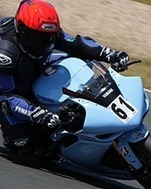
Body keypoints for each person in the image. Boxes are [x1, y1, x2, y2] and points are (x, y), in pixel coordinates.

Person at [0, 0, 129, 154]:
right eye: (37, 36)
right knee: (23, 142)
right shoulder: (6, 54)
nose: (43, 42)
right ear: (22, 29)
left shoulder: (51, 35)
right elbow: (5, 97)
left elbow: (78, 44)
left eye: (48, 37)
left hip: (35, 67)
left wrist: (111, 54)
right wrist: (36, 113)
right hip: (10, 91)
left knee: (77, 57)